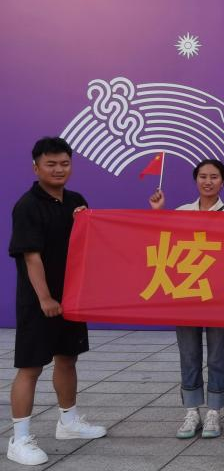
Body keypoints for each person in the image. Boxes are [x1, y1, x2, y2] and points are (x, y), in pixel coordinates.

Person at [8, 137, 106, 466]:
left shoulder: (76, 201)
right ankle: (19, 439)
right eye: (50, 164)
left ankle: (69, 422)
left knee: (67, 359)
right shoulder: (27, 206)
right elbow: (31, 256)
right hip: (39, 301)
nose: (58, 169)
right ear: (36, 167)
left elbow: (88, 243)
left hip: (72, 297)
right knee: (31, 367)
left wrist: (86, 220)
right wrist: (46, 297)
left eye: (64, 163)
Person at [148, 159, 224, 439]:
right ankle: (192, 411)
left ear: (223, 182)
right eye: (203, 176)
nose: (208, 181)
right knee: (189, 354)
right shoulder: (182, 212)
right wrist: (158, 214)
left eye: (214, 177)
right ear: (196, 180)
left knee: (217, 355)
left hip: (218, 294)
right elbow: (164, 244)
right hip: (187, 293)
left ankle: (214, 411)